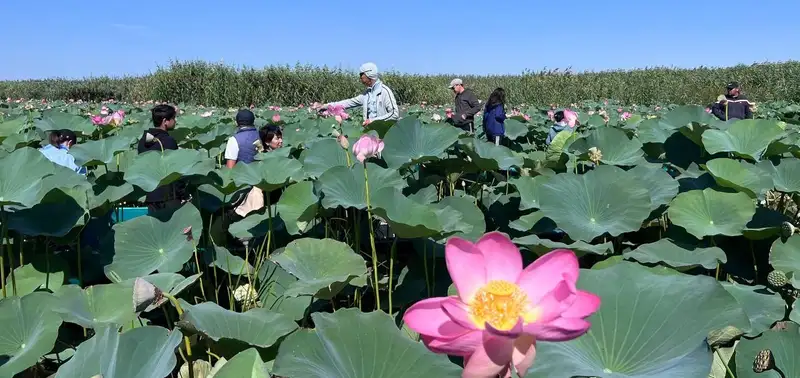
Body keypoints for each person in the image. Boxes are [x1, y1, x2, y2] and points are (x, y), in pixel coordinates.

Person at [137, 104, 188, 214]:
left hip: (150, 195)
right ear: (165, 121)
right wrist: (182, 193)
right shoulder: (168, 141)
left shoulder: (143, 141)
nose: (175, 121)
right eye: (173, 118)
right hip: (168, 196)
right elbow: (175, 170)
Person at [322, 62, 399, 126]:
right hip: (370, 132)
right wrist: (325, 106)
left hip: (384, 131)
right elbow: (347, 103)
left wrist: (373, 121)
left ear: (369, 74)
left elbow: (394, 114)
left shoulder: (385, 92)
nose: (360, 77)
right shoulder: (366, 95)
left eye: (361, 74)